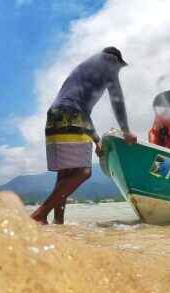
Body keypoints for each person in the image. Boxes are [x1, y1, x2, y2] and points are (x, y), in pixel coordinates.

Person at [31, 46, 137, 225]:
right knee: (83, 172)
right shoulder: (108, 60)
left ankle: (58, 224)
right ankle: (39, 215)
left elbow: (84, 112)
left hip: (55, 115)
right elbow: (116, 97)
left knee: (65, 177)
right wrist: (126, 130)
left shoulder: (86, 69)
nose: (118, 72)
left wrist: (96, 140)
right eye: (120, 68)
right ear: (116, 60)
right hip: (72, 114)